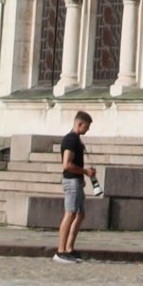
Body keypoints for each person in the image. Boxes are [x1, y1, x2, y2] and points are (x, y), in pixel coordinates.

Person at [52, 109, 97, 261]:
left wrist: (85, 172)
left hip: (77, 181)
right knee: (70, 213)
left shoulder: (76, 140)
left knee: (79, 214)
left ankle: (69, 248)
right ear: (79, 124)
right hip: (71, 181)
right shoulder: (70, 140)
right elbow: (67, 164)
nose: (87, 130)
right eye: (86, 126)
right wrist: (85, 171)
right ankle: (61, 251)